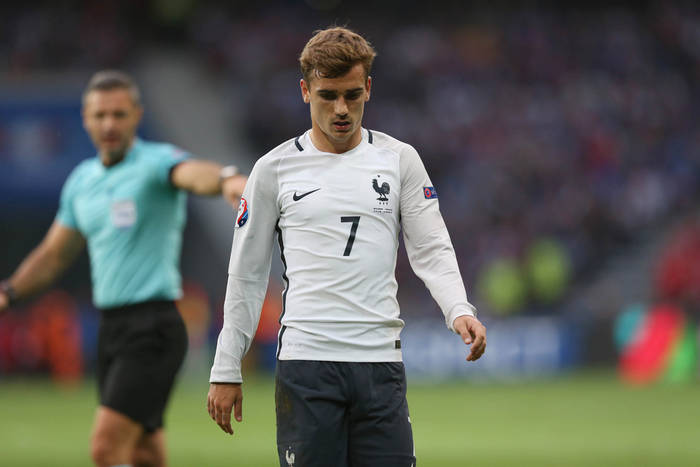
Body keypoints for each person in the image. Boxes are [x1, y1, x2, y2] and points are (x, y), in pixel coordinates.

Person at [207, 26, 486, 466]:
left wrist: (458, 309)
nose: (341, 109)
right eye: (328, 95)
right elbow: (247, 273)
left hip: (380, 363)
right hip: (307, 365)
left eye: (352, 95)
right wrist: (227, 366)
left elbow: (431, 246)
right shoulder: (273, 169)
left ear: (368, 89)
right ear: (305, 91)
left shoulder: (399, 160)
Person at [0, 70, 247, 467]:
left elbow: (190, 174)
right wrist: (9, 292)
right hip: (112, 329)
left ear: (137, 115)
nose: (109, 124)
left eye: (119, 114)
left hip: (153, 327)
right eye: (100, 115)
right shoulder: (82, 181)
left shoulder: (154, 162)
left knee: (106, 448)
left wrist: (226, 179)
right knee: (144, 453)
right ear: (85, 119)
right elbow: (53, 254)